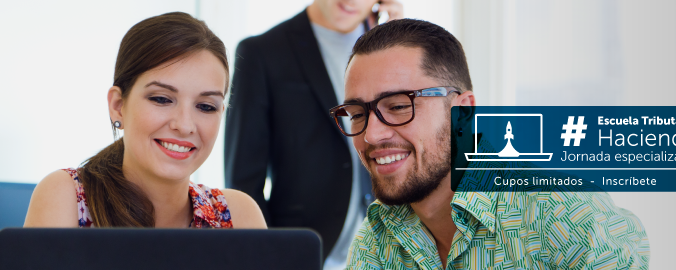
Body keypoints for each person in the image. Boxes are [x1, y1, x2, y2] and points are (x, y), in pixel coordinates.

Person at [333, 19, 650, 269]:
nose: (371, 135)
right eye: (358, 114)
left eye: (399, 106)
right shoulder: (375, 239)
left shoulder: (566, 215)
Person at [24, 12, 266, 229]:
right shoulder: (66, 197)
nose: (184, 125)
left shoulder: (238, 215)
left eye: (205, 106)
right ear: (118, 106)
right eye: (161, 99)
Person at [223, 0, 402, 265]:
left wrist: (398, 39)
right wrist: (265, 257)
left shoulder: (399, 50)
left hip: (384, 251)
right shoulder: (262, 52)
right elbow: (243, 182)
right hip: (303, 251)